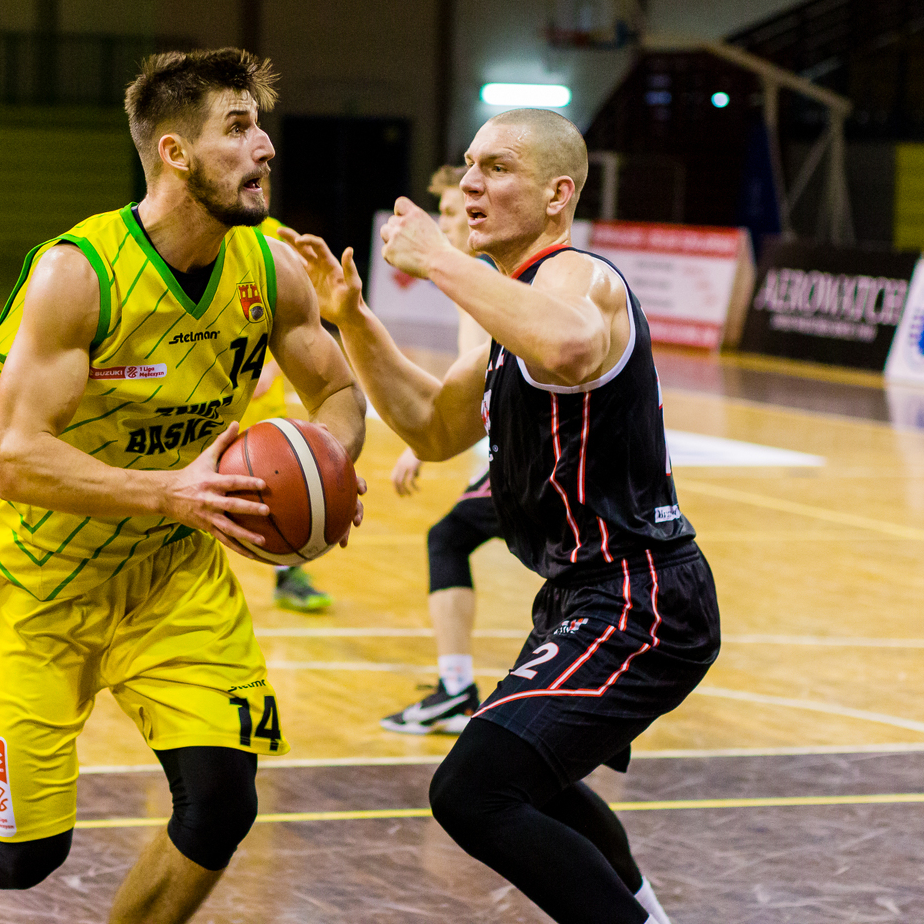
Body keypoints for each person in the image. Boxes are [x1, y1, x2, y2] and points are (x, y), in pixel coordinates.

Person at [0, 48, 365, 924]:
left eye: (260, 127)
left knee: (222, 804)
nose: (264, 147)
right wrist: (169, 492)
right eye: (238, 128)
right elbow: (15, 458)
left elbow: (337, 393)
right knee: (23, 854)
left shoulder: (271, 268)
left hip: (175, 579)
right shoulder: (80, 275)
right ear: (175, 153)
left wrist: (328, 466)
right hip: (45, 586)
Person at [288, 107, 719, 924]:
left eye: (497, 168)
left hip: (640, 599)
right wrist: (354, 320)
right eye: (469, 165)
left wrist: (440, 258)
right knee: (538, 785)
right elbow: (431, 426)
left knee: (473, 791)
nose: (471, 185)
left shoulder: (577, 277)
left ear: (559, 194)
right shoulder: (509, 314)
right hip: (581, 595)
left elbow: (568, 346)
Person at [382, 165, 498, 734]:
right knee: (453, 537)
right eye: (446, 212)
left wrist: (428, 439)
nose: (447, 223)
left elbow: (485, 367)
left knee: (449, 538)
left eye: (455, 212)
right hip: (517, 453)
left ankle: (457, 689)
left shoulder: (485, 275)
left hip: (540, 458)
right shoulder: (477, 276)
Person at [244, 207, 334, 613]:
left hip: (261, 400)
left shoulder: (277, 238)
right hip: (205, 395)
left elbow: (304, 317)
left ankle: (289, 575)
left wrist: (273, 368)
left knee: (283, 491)